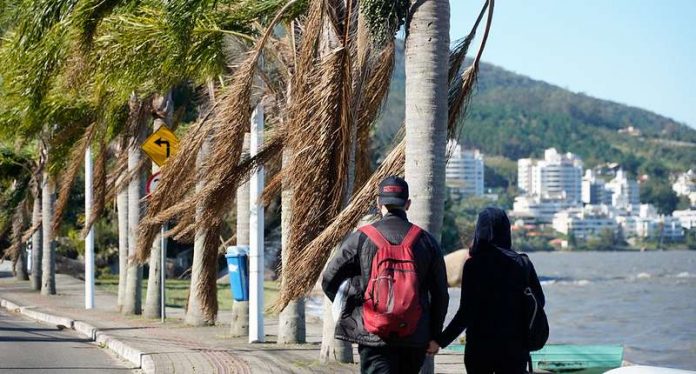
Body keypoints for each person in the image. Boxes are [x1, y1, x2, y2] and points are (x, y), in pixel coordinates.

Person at [322, 176, 449, 374]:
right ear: (407, 204)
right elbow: (441, 294)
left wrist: (357, 309)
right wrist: (435, 336)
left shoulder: (361, 238)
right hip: (414, 336)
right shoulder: (426, 241)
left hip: (374, 336)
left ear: (378, 202)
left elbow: (329, 279)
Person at [427, 207, 545, 374]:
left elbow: (466, 312)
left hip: (480, 348)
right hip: (515, 347)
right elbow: (539, 301)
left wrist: (440, 341)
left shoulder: (473, 266)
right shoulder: (523, 263)